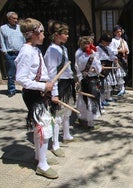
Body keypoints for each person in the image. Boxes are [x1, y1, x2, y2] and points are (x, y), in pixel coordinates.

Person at [15, 18, 58, 179]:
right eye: (41, 32)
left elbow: (40, 72)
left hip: (40, 92)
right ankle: (42, 165)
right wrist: (42, 86)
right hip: (33, 94)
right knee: (44, 126)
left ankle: (39, 156)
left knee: (39, 126)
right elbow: (21, 79)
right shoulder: (26, 51)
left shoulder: (35, 49)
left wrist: (48, 84)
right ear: (32, 34)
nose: (44, 35)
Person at [44, 20, 79, 158]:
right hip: (59, 85)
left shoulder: (62, 48)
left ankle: (66, 135)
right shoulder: (52, 50)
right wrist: (54, 93)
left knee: (67, 112)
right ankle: (55, 144)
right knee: (57, 115)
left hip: (67, 83)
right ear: (57, 35)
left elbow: (67, 69)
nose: (68, 36)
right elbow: (52, 74)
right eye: (65, 33)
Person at [75, 35, 102, 130]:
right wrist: (96, 69)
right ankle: (90, 123)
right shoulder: (92, 55)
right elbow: (99, 69)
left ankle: (83, 120)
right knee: (92, 100)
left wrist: (79, 79)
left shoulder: (78, 54)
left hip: (83, 79)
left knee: (84, 100)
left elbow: (77, 68)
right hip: (92, 80)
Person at [0, 11, 25, 97]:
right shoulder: (3, 28)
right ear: (9, 19)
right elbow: (2, 41)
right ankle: (11, 90)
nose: (16, 20)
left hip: (21, 53)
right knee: (11, 73)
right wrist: (5, 52)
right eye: (14, 18)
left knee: (24, 71)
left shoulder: (19, 28)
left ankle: (26, 89)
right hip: (10, 54)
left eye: (17, 18)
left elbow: (24, 39)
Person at [96, 33, 118, 107]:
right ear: (102, 41)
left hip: (108, 68)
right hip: (102, 68)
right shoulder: (97, 48)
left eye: (109, 42)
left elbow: (111, 55)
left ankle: (107, 97)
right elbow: (96, 59)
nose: (108, 44)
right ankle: (101, 100)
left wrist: (114, 58)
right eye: (107, 42)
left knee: (108, 84)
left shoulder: (108, 48)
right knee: (102, 85)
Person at [109, 25, 129, 96]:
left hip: (123, 59)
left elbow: (127, 49)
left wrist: (126, 52)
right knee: (118, 74)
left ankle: (122, 88)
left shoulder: (123, 40)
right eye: (117, 32)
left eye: (120, 31)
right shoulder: (113, 41)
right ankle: (121, 88)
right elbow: (111, 51)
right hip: (117, 59)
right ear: (114, 33)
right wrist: (119, 51)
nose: (119, 33)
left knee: (122, 74)